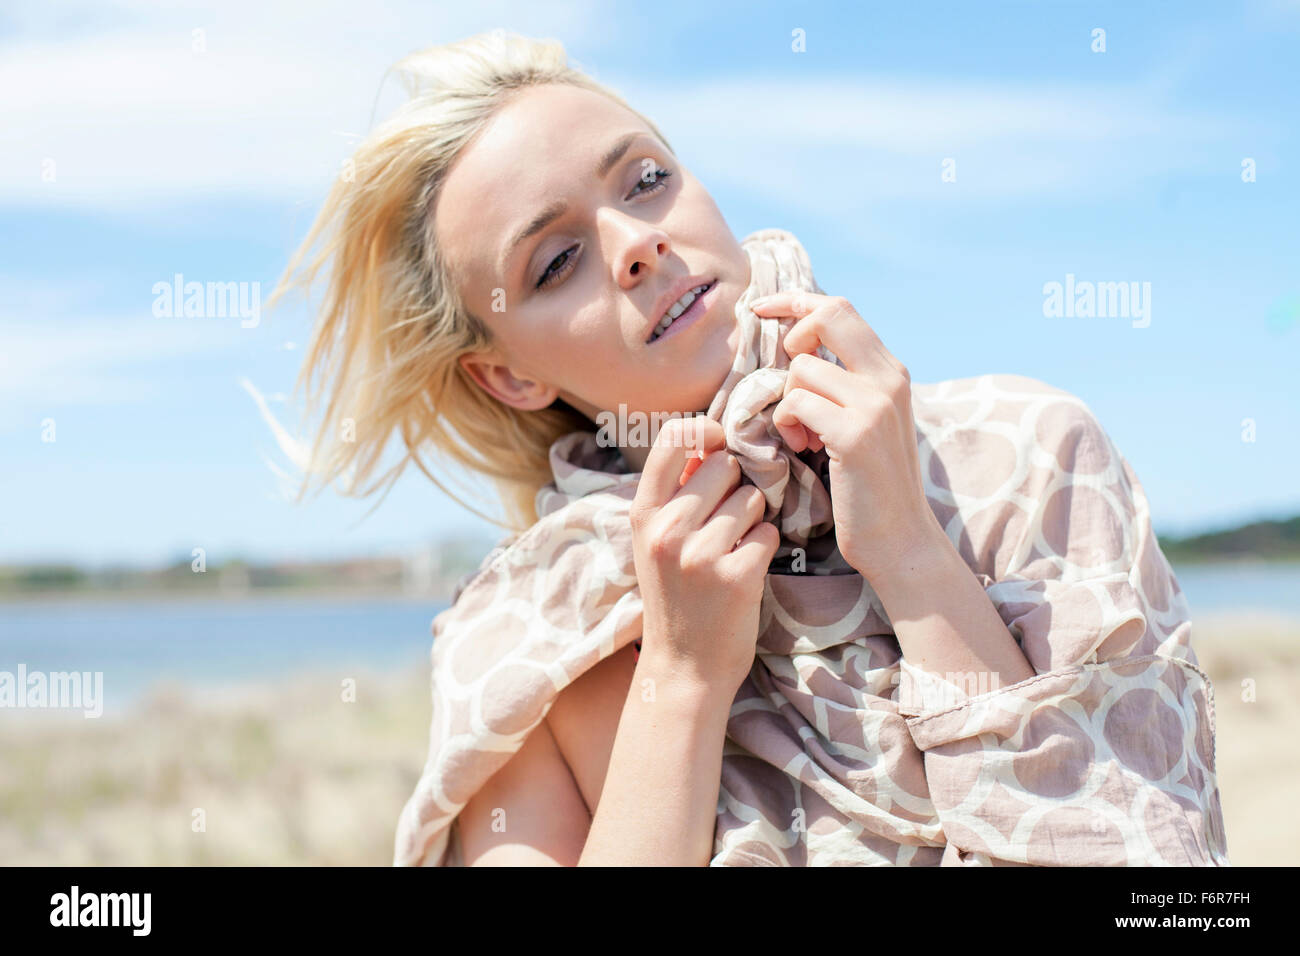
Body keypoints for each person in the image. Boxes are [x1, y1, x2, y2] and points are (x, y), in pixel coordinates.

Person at [264, 30, 1227, 866]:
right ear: (510, 376)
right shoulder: (526, 641)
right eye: (555, 262)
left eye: (646, 180)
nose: (634, 243)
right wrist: (681, 679)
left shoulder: (1023, 454)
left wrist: (908, 550)